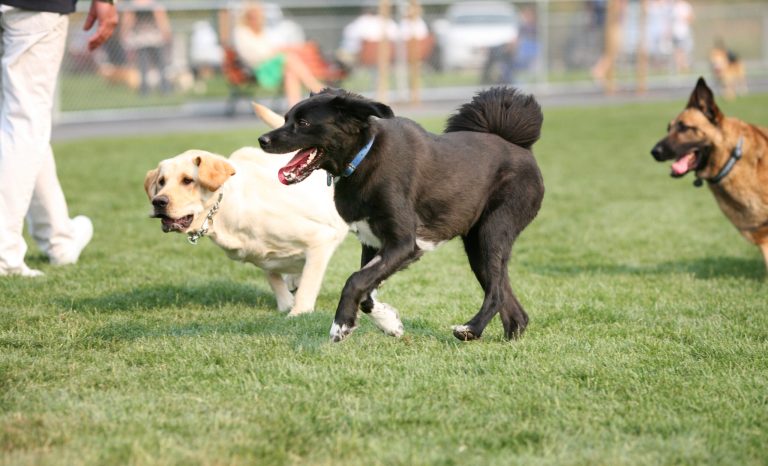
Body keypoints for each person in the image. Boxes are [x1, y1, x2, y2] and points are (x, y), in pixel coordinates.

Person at [0, 0, 117, 277]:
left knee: (22, 127)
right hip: (34, 6)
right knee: (25, 122)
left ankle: (58, 238)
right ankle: (4, 253)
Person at [233, 2, 324, 107]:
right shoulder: (241, 32)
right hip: (257, 70)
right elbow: (250, 55)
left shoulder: (263, 31)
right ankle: (316, 87)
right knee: (290, 58)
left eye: (258, 16)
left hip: (272, 65)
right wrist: (272, 54)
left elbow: (273, 47)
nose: (256, 19)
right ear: (246, 17)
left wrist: (276, 52)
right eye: (253, 16)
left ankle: (294, 107)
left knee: (290, 72)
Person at [121, 0, 172, 95]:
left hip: (143, 38)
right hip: (154, 37)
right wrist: (166, 33)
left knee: (144, 65)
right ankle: (164, 87)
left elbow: (128, 20)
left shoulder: (133, 4)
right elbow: (161, 19)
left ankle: (145, 90)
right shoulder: (153, 4)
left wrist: (124, 33)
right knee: (159, 64)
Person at [671, 0, 694, 73]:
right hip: (675, 32)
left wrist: (684, 18)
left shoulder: (686, 6)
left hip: (684, 32)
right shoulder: (673, 6)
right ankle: (679, 67)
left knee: (684, 50)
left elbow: (691, 17)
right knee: (677, 51)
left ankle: (685, 67)